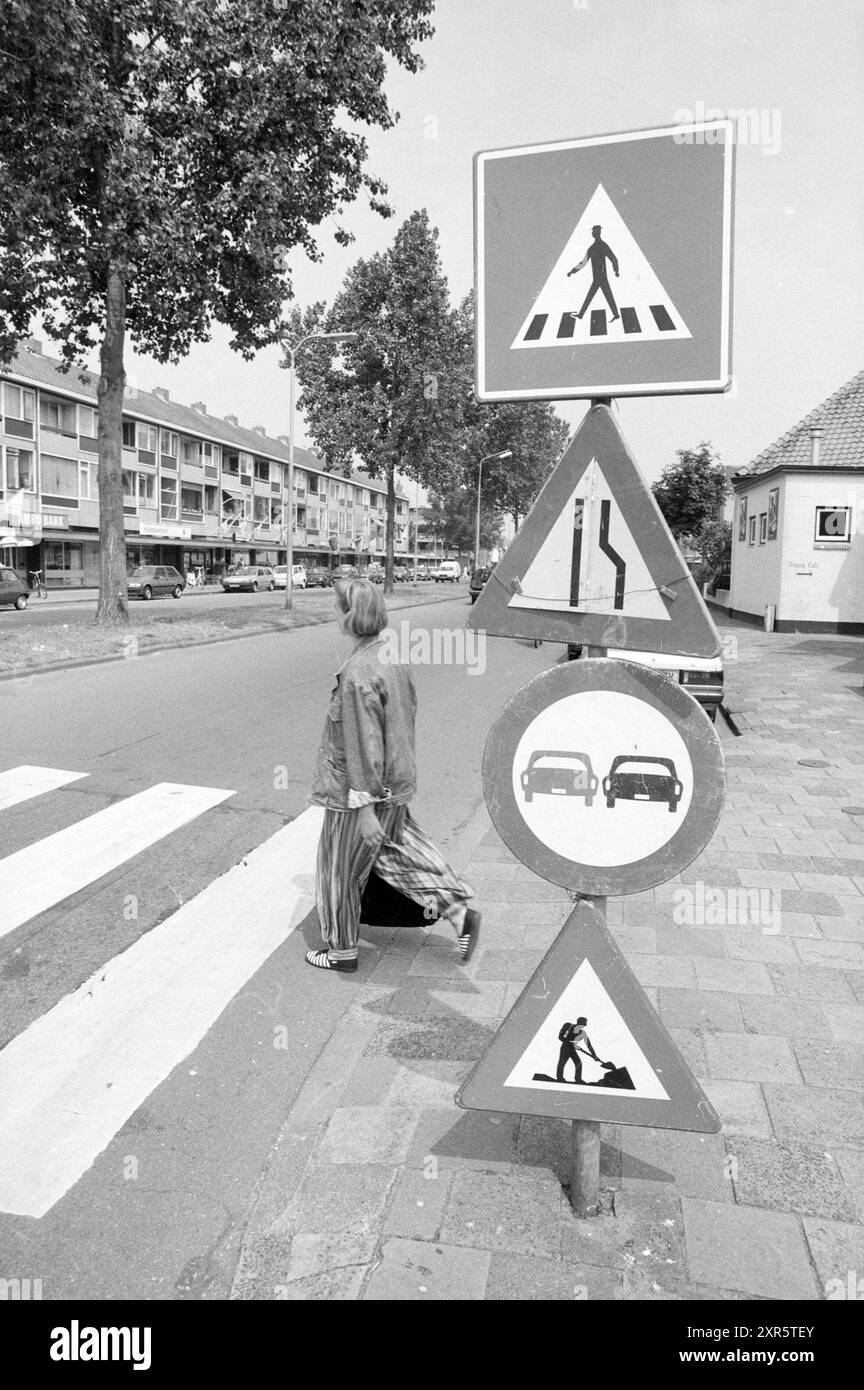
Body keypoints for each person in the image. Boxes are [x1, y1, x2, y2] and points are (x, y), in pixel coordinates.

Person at [306, 578, 481, 973]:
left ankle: (341, 952)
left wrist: (364, 806)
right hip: (395, 785)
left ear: (349, 615)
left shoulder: (357, 673)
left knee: (339, 871)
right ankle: (456, 911)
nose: (335, 615)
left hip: (361, 793)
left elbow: (363, 745)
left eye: (337, 608)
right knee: (399, 851)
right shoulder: (392, 658)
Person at [567, 224, 620, 322]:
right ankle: (615, 315)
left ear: (596, 233)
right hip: (598, 277)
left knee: (597, 296)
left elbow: (613, 258)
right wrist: (572, 271)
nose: (592, 233)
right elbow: (583, 263)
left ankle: (581, 315)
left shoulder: (600, 246)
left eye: (593, 231)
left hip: (601, 277)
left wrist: (616, 270)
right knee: (605, 296)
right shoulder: (593, 247)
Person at [556, 1016, 601, 1083]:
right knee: (562, 1062)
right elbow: (560, 1037)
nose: (585, 1024)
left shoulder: (583, 1033)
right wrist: (569, 1042)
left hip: (572, 1049)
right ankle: (560, 1078)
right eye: (584, 1022)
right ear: (580, 1022)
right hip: (565, 1047)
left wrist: (594, 1056)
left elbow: (589, 1045)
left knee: (578, 1063)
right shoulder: (568, 1025)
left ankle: (578, 1079)